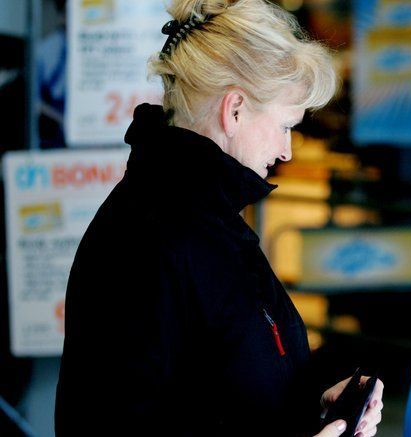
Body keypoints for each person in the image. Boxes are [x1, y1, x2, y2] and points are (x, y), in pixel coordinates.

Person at [54, 0, 384, 435]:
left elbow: (222, 382)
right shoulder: (149, 238)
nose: (287, 150)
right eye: (286, 125)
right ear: (235, 110)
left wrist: (316, 402)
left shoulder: (208, 217)